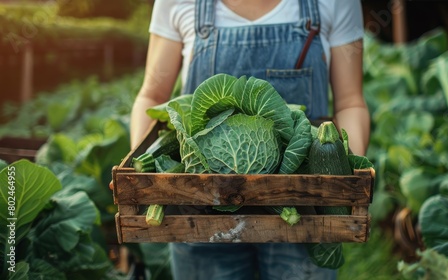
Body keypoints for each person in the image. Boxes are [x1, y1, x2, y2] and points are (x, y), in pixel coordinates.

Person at [130, 0, 370, 279]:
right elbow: (153, 96)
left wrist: (347, 180)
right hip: (198, 206)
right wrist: (141, 175)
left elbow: (351, 102)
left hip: (305, 205)